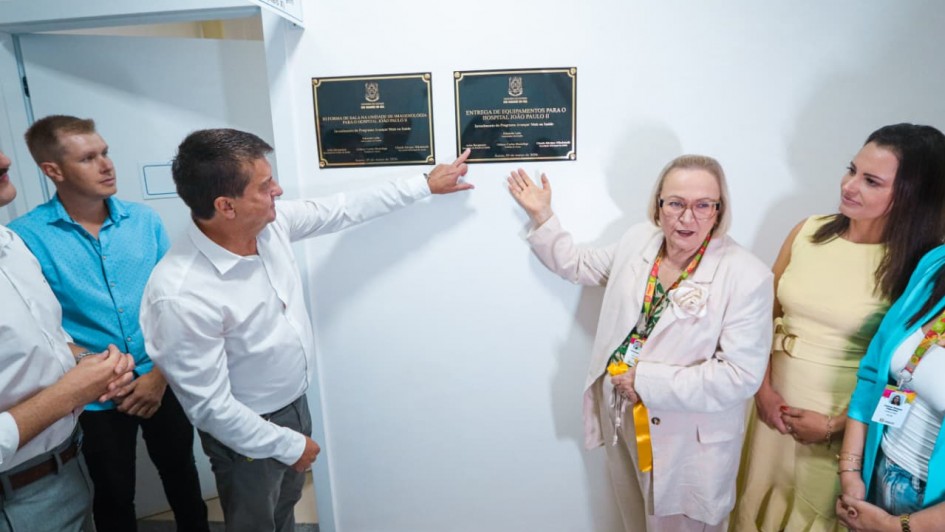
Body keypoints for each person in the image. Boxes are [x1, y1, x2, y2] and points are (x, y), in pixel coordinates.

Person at [140, 128, 473, 531]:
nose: (278, 191)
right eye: (265, 185)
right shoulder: (179, 294)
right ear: (226, 205)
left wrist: (424, 184)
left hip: (295, 405)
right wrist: (290, 444)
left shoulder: (270, 227)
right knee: (254, 523)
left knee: (285, 509)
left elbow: (342, 209)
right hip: (245, 434)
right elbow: (211, 409)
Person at [507, 155, 773, 531]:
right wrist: (543, 216)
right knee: (635, 520)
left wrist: (645, 381)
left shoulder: (747, 275)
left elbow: (739, 376)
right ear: (658, 205)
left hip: (685, 438)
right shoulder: (639, 240)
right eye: (676, 203)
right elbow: (580, 266)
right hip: (622, 415)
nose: (687, 218)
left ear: (719, 210)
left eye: (703, 205)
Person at [733, 124, 945, 531]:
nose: (849, 186)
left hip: (839, 426)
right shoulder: (807, 231)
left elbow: (902, 371)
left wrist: (834, 426)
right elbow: (760, 318)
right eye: (851, 170)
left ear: (911, 194)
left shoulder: (921, 267)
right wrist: (762, 391)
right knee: (754, 504)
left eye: (871, 181)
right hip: (768, 408)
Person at [9, 115, 209, 532]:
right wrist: (102, 375)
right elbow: (43, 325)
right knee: (113, 496)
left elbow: (175, 307)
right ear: (53, 170)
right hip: (94, 397)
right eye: (88, 158)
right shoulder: (23, 238)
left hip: (161, 378)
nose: (106, 165)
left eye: (105, 152)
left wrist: (158, 375)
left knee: (183, 479)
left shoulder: (144, 221)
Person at [0, 147, 135, 531]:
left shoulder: (11, 245)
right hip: (14, 498)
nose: (6, 160)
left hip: (68, 468)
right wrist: (71, 393)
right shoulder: (32, 232)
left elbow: (50, 340)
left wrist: (91, 363)